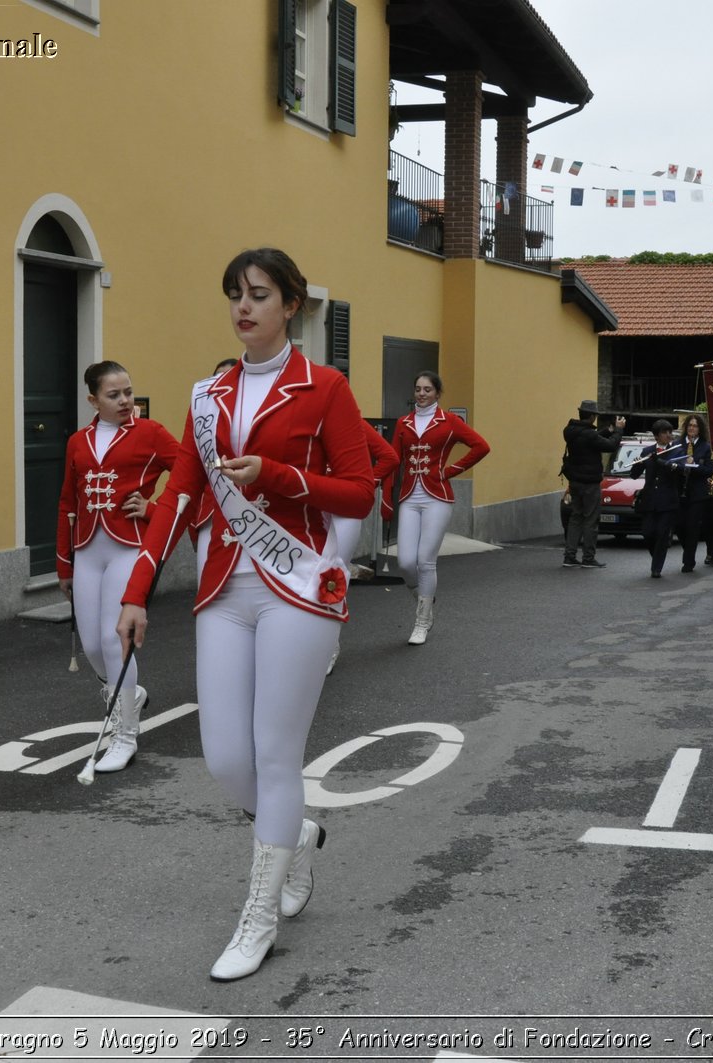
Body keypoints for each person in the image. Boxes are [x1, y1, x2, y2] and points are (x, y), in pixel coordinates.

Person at [117, 248, 374, 982]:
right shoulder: (208, 394)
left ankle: (260, 914)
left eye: (259, 294)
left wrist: (283, 476)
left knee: (273, 752)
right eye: (235, 293)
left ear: (291, 304)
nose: (243, 306)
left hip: (296, 581)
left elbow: (359, 491)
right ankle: (297, 832)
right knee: (225, 756)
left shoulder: (325, 389)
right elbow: (178, 498)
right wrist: (137, 588)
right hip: (225, 583)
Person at [56, 360, 179, 774]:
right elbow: (67, 503)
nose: (126, 400)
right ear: (93, 399)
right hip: (88, 550)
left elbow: (189, 478)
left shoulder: (152, 433)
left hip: (129, 547)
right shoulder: (78, 441)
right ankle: (129, 694)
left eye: (128, 392)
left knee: (115, 642)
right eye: (114, 395)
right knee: (92, 645)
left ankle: (125, 733)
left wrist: (154, 508)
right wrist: (64, 565)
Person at [383, 370, 490, 643]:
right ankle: (426, 599)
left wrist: (451, 470)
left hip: (437, 497)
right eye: (418, 388)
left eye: (427, 389)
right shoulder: (403, 423)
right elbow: (393, 460)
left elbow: (481, 446)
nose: (421, 393)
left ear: (437, 393)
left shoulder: (449, 421)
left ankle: (422, 621)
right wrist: (385, 496)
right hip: (409, 496)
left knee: (425, 560)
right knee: (406, 563)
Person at [325, 420, 399, 674]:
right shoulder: (304, 416)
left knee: (333, 574)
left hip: (345, 506)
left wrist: (367, 481)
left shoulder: (352, 422)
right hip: (312, 504)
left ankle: (330, 645)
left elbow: (389, 457)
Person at [561, 400, 626, 568]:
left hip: (574, 481)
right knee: (590, 520)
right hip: (589, 483)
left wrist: (608, 430)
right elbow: (610, 445)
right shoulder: (588, 434)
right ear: (591, 417)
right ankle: (588, 558)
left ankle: (569, 556)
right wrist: (618, 430)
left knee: (575, 518)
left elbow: (592, 439)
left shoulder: (570, 431)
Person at [634, 419, 686, 577]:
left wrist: (660, 461)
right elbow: (634, 475)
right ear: (657, 436)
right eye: (665, 433)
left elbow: (679, 469)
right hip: (650, 499)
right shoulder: (648, 451)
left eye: (670, 432)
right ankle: (656, 556)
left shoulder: (677, 451)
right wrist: (637, 463)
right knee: (648, 533)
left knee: (662, 534)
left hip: (668, 500)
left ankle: (656, 568)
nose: (669, 435)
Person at [675, 413, 713, 573]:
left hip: (697, 493)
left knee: (692, 527)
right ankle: (687, 550)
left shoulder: (705, 447)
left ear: (700, 429)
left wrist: (695, 465)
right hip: (679, 491)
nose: (692, 428)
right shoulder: (677, 445)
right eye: (690, 425)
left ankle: (688, 561)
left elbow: (709, 470)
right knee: (680, 526)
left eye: (695, 426)